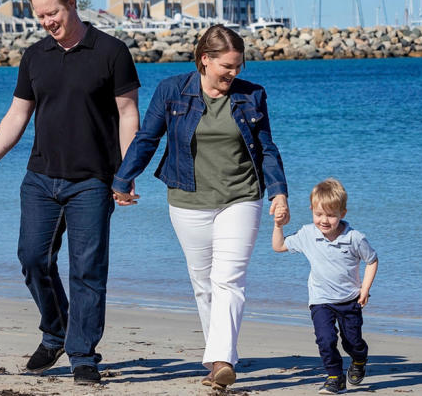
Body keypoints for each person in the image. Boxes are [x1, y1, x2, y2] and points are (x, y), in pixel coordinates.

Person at [0, 0, 140, 385]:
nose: (47, 21)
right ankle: (56, 330)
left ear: (72, 3)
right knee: (32, 258)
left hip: (93, 181)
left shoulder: (111, 52)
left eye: (52, 13)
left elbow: (127, 114)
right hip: (40, 176)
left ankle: (82, 353)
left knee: (87, 269)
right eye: (40, 15)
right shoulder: (35, 56)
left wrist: (126, 171)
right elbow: (17, 114)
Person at [112, 24, 290, 390]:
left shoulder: (252, 95)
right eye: (227, 65)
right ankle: (216, 359)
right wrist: (123, 177)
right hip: (188, 199)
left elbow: (267, 148)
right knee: (203, 283)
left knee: (229, 279)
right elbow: (147, 138)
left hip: (242, 196)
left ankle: (224, 360)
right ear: (205, 60)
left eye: (239, 65)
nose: (234, 73)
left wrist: (278, 192)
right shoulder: (172, 91)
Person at [272, 177, 379, 395]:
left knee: (353, 342)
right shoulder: (307, 234)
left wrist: (365, 289)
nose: (324, 220)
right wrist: (278, 225)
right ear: (311, 210)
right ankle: (334, 377)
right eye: (319, 214)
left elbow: (372, 261)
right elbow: (279, 246)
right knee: (325, 339)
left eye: (331, 215)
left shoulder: (354, 238)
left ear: (343, 214)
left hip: (350, 299)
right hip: (320, 300)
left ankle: (359, 359)